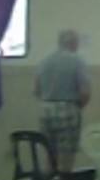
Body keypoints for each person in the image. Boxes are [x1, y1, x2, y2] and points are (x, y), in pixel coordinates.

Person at [34, 29, 91, 172]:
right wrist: (77, 107)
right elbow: (85, 92)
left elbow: (36, 91)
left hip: (45, 111)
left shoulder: (43, 62)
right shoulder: (77, 61)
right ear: (74, 43)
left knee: (49, 157)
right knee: (66, 158)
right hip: (67, 110)